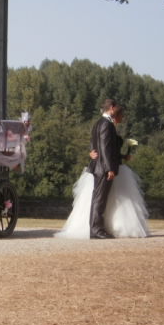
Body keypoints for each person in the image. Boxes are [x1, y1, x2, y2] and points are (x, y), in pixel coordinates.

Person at [56, 100, 149, 239]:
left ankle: (97, 228)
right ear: (111, 108)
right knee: (99, 199)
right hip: (103, 168)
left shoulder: (99, 123)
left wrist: (121, 156)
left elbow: (98, 146)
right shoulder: (106, 124)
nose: (121, 115)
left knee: (100, 198)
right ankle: (96, 230)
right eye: (118, 109)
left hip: (101, 166)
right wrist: (110, 168)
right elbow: (104, 149)